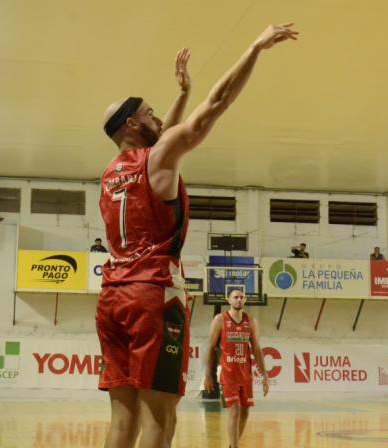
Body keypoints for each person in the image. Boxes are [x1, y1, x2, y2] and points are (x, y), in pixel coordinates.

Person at [96, 24, 298, 448]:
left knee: (122, 418)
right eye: (151, 111)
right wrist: (254, 48)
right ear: (133, 123)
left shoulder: (112, 172)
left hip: (112, 296)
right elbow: (215, 105)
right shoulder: (158, 159)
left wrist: (182, 91)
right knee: (160, 416)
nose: (160, 116)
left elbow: (160, 134)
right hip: (153, 294)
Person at [204, 289, 268, 448]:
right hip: (228, 373)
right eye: (235, 297)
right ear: (229, 300)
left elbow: (257, 349)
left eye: (241, 297)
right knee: (235, 409)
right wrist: (208, 375)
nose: (239, 300)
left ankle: (233, 445)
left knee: (245, 412)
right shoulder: (220, 319)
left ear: (245, 300)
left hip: (245, 374)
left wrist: (265, 375)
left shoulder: (250, 320)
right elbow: (211, 348)